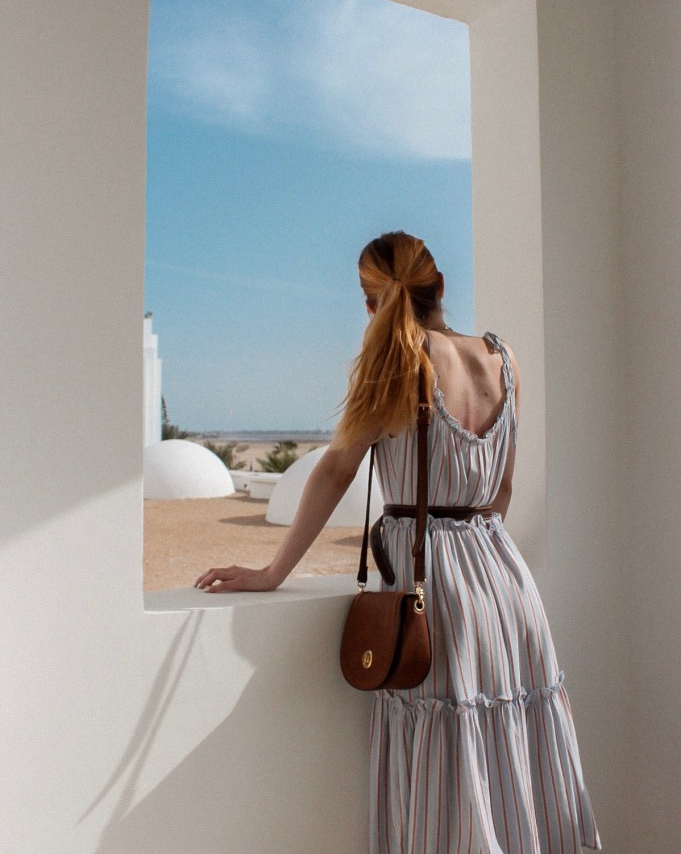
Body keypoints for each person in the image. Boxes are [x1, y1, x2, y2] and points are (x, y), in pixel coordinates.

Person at [195, 231, 602, 854]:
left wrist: (274, 571)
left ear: (373, 303)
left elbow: (336, 470)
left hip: (433, 586)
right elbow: (503, 491)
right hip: (506, 583)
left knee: (450, 760)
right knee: (512, 748)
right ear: (440, 287)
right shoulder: (502, 359)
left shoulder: (400, 361)